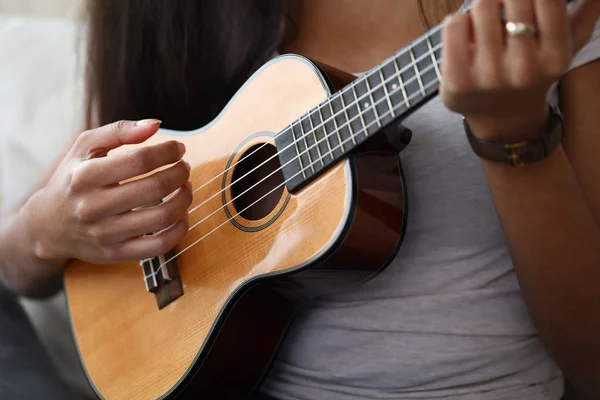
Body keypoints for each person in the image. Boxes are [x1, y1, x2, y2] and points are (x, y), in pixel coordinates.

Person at [1, 0, 599, 399]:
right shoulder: (168, 14)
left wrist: (516, 136)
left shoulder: (532, 15)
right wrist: (45, 230)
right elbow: (17, 265)